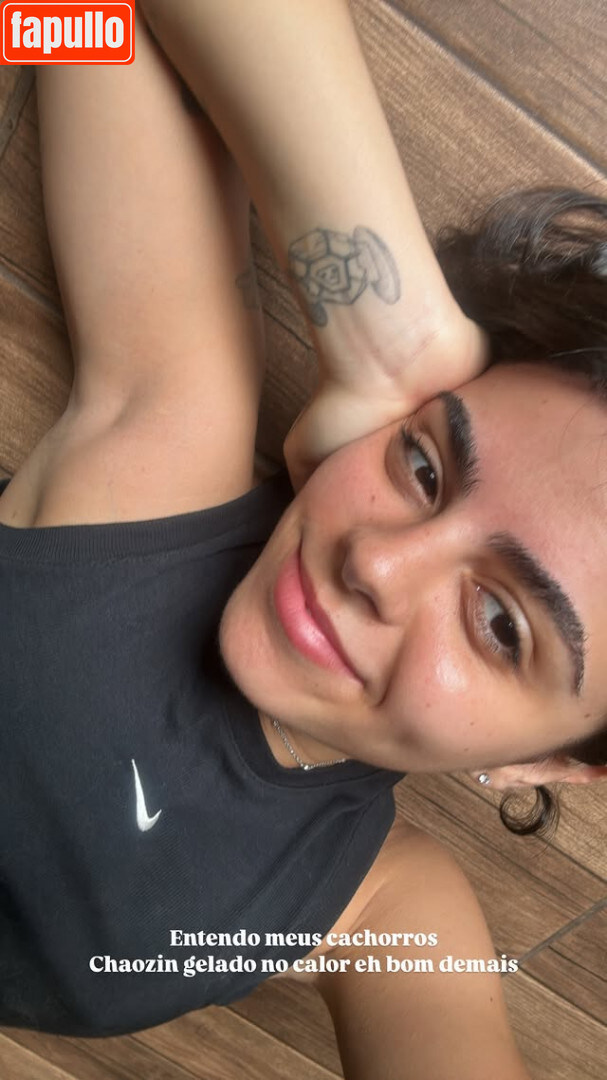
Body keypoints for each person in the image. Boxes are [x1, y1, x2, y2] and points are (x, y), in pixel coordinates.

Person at [0, 2, 605, 1077]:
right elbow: (63, 17)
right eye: (425, 466)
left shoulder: (384, 907)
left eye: (500, 623)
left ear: (549, 762)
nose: (375, 562)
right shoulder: (163, 446)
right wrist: (393, 334)